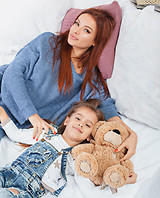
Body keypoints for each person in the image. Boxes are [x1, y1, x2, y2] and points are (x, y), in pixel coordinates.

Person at [0, 8, 137, 161]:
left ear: (95, 41)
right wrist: (33, 116)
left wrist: (131, 134)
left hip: (12, 121)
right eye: (77, 23)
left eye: (86, 30)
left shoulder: (91, 80)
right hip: (3, 94)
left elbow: (107, 108)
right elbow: (12, 74)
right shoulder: (47, 42)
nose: (76, 31)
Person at [0, 99, 105, 198]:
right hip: (10, 173)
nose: (80, 124)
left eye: (87, 125)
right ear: (67, 120)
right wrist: (3, 115)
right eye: (78, 118)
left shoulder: (76, 159)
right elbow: (17, 134)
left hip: (27, 192)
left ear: (89, 137)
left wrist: (109, 181)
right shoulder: (47, 133)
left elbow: (87, 187)